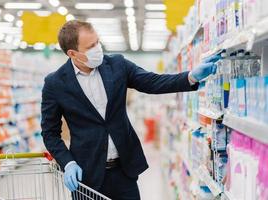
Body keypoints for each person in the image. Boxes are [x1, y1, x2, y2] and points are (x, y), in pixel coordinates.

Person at [41, 20, 218, 200]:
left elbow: (152, 82)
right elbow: (50, 133)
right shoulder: (55, 84)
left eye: (97, 42)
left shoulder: (117, 65)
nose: (98, 48)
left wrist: (191, 76)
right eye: (90, 46)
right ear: (73, 53)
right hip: (87, 176)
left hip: (123, 172)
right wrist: (68, 162)